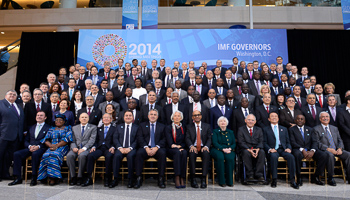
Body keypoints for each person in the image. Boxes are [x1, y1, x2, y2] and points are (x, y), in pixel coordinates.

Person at [8, 111, 49, 186]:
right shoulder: (31, 127)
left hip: (41, 148)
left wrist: (38, 146)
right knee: (17, 154)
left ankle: (34, 177)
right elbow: (26, 140)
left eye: (41, 115)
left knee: (35, 154)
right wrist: (29, 146)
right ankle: (18, 177)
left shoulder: (48, 128)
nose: (39, 116)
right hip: (30, 147)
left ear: (45, 117)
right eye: (38, 115)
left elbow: (48, 140)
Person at [289, 114, 328, 186]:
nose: (300, 120)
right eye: (298, 119)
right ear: (295, 120)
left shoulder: (310, 129)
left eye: (302, 119)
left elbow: (315, 141)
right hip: (298, 149)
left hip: (310, 150)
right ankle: (299, 177)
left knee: (323, 155)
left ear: (304, 121)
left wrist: (312, 150)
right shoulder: (291, 130)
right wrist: (302, 150)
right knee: (297, 155)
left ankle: (316, 176)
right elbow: (292, 142)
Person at [263, 112, 299, 189]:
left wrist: (289, 148)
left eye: (276, 116)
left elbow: (288, 141)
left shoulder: (284, 129)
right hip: (273, 149)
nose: (274, 117)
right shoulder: (265, 129)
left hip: (283, 149)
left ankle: (292, 180)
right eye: (272, 116)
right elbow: (264, 142)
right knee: (273, 157)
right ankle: (274, 179)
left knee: (291, 157)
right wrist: (269, 149)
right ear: (269, 119)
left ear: (278, 118)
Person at [313, 112, 350, 185]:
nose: (325, 118)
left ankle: (349, 177)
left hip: (336, 150)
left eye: (327, 116)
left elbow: (340, 140)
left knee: (349, 155)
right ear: (320, 119)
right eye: (323, 117)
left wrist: (340, 148)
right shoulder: (316, 129)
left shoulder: (334, 128)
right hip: (326, 150)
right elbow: (317, 142)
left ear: (329, 119)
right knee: (330, 155)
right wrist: (328, 149)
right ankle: (330, 178)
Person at [134, 109, 167, 189]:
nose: (153, 116)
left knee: (163, 154)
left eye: (155, 114)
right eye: (151, 114)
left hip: (157, 148)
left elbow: (165, 139)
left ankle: (160, 178)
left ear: (157, 116)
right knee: (139, 154)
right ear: (148, 116)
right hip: (146, 147)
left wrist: (156, 147)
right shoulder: (142, 125)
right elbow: (140, 137)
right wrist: (146, 147)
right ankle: (138, 178)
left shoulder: (162, 126)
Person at [37, 114, 73, 185]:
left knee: (54, 155)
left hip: (62, 146)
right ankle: (44, 176)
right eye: (56, 120)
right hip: (51, 146)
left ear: (64, 121)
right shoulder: (51, 129)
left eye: (60, 120)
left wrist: (57, 146)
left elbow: (67, 139)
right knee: (45, 155)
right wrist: (50, 145)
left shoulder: (68, 128)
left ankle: (53, 178)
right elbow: (45, 139)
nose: (58, 121)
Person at [82, 113, 116, 187]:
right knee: (90, 156)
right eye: (104, 118)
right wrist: (94, 146)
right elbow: (96, 140)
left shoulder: (114, 129)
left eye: (108, 118)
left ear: (111, 119)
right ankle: (89, 177)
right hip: (99, 148)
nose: (106, 119)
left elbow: (116, 139)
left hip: (109, 148)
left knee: (109, 156)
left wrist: (113, 147)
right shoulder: (98, 128)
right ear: (102, 120)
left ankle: (107, 178)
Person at [0, 90, 25, 180]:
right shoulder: (1, 104)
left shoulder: (18, 106)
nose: (12, 96)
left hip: (15, 137)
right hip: (3, 135)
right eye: (10, 94)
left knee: (8, 157)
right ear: (5, 95)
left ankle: (5, 174)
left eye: (14, 95)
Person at [67, 113, 97, 186]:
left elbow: (92, 140)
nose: (84, 119)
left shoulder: (93, 127)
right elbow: (72, 140)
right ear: (79, 119)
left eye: (85, 117)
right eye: (82, 117)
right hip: (75, 148)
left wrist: (84, 148)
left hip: (86, 148)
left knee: (82, 156)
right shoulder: (74, 128)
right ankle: (73, 176)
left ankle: (80, 176)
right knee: (69, 156)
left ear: (88, 119)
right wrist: (74, 147)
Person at [111, 110, 138, 188]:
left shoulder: (136, 127)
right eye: (126, 115)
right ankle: (115, 178)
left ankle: (130, 179)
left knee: (131, 156)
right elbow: (115, 138)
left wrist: (130, 148)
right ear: (123, 117)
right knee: (116, 156)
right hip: (120, 148)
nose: (128, 117)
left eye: (130, 116)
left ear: (133, 118)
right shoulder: (119, 126)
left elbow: (137, 140)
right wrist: (120, 148)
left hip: (131, 149)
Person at [186, 110, 211, 188]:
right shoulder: (189, 126)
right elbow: (187, 138)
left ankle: (203, 179)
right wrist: (191, 146)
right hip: (194, 147)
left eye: (198, 115)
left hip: (203, 147)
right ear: (192, 117)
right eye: (195, 115)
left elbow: (210, 138)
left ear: (201, 116)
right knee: (192, 154)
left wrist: (206, 146)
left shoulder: (207, 126)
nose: (197, 116)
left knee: (206, 154)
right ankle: (193, 179)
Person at [210, 116, 236, 187]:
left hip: (229, 149)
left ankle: (229, 181)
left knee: (230, 158)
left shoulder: (231, 132)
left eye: (224, 121)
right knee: (220, 157)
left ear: (227, 123)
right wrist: (222, 149)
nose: (223, 122)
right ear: (218, 123)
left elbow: (234, 143)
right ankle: (221, 181)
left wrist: (230, 149)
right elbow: (215, 143)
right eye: (221, 121)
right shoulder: (215, 131)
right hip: (217, 149)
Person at [165, 111, 187, 188]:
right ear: (172, 118)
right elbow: (169, 141)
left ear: (181, 118)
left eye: (178, 116)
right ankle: (177, 176)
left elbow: (185, 140)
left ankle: (182, 177)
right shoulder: (168, 127)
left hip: (180, 148)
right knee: (177, 153)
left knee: (184, 153)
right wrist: (176, 147)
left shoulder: (183, 127)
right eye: (175, 116)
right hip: (170, 149)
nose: (177, 117)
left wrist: (180, 147)